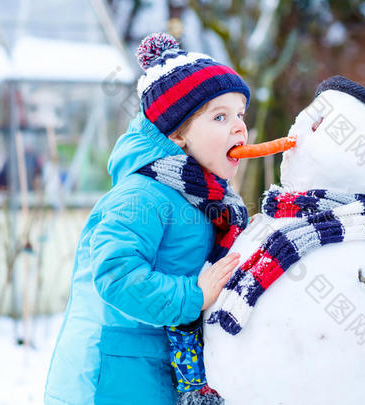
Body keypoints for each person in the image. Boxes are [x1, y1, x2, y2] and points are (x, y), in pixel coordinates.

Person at [44, 32, 250, 405]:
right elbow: (116, 274)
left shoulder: (208, 198)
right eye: (220, 116)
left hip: (167, 368)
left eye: (240, 114)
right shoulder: (142, 195)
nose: (239, 127)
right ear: (178, 133)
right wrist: (194, 295)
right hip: (123, 375)